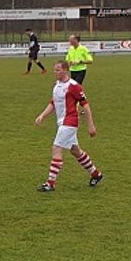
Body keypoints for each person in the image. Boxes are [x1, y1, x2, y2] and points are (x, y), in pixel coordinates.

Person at [34, 61, 104, 192]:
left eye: (58, 70)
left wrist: (91, 126)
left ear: (66, 70)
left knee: (57, 147)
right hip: (62, 122)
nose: (55, 72)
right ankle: (96, 174)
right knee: (75, 151)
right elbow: (53, 102)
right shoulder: (56, 85)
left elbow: (86, 106)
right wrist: (42, 115)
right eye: (54, 70)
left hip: (70, 122)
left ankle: (50, 183)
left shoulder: (74, 86)